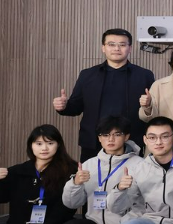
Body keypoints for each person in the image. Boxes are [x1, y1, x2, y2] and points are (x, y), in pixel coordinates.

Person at [60, 115, 140, 224]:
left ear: (126, 136)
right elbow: (71, 203)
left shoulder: (139, 165)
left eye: (117, 134)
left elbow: (145, 205)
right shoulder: (89, 164)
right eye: (105, 135)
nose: (110, 139)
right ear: (99, 138)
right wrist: (75, 184)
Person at [53, 28, 155, 161]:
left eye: (122, 45)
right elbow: (76, 107)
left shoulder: (144, 75)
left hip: (132, 141)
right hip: (94, 141)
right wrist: (64, 106)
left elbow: (152, 111)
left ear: (130, 48)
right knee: (91, 174)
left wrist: (149, 104)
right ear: (103, 48)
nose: (116, 48)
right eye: (111, 44)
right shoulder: (87, 75)